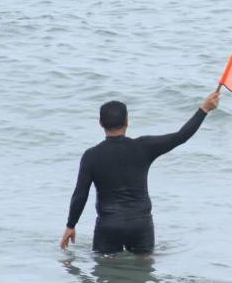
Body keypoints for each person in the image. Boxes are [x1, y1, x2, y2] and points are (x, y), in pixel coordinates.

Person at [60, 92, 220, 254]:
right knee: (143, 273)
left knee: (105, 272)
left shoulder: (91, 156)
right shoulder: (143, 147)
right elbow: (180, 136)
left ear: (100, 123)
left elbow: (80, 194)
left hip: (108, 225)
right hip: (140, 225)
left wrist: (70, 225)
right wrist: (204, 109)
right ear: (127, 122)